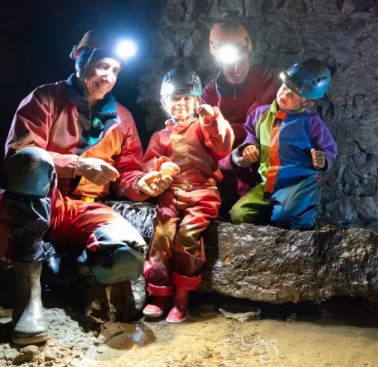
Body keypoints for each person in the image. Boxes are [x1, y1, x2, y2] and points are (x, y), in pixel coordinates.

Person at [2, 30, 172, 345]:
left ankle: (59, 270)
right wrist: (78, 165)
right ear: (80, 59)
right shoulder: (45, 98)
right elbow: (18, 157)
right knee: (32, 160)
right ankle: (28, 297)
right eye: (101, 66)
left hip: (84, 209)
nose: (108, 76)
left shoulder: (122, 118)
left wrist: (144, 184)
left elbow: (126, 174)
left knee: (126, 256)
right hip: (43, 199)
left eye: (115, 70)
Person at [141, 68, 234, 323]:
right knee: (162, 235)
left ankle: (182, 297)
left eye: (187, 99)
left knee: (188, 235)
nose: (180, 104)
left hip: (202, 193)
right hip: (172, 195)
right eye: (175, 99)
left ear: (196, 102)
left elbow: (223, 145)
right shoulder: (160, 136)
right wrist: (160, 166)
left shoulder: (203, 128)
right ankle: (159, 294)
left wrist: (213, 119)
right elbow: (147, 163)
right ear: (164, 103)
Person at [230, 59, 338, 230]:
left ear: (308, 103)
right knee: (239, 214)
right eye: (284, 88)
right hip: (268, 183)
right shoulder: (261, 115)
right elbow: (250, 136)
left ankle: (304, 226)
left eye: (292, 95)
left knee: (287, 219)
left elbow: (329, 148)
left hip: (299, 184)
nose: (283, 95)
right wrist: (247, 149)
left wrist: (323, 159)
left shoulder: (311, 123)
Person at [200, 21, 278, 207]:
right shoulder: (210, 93)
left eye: (242, 60)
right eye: (230, 63)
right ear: (218, 61)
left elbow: (266, 120)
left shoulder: (262, 77)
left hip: (262, 159)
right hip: (228, 167)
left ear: (249, 55)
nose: (237, 69)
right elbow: (207, 140)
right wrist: (233, 157)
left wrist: (234, 131)